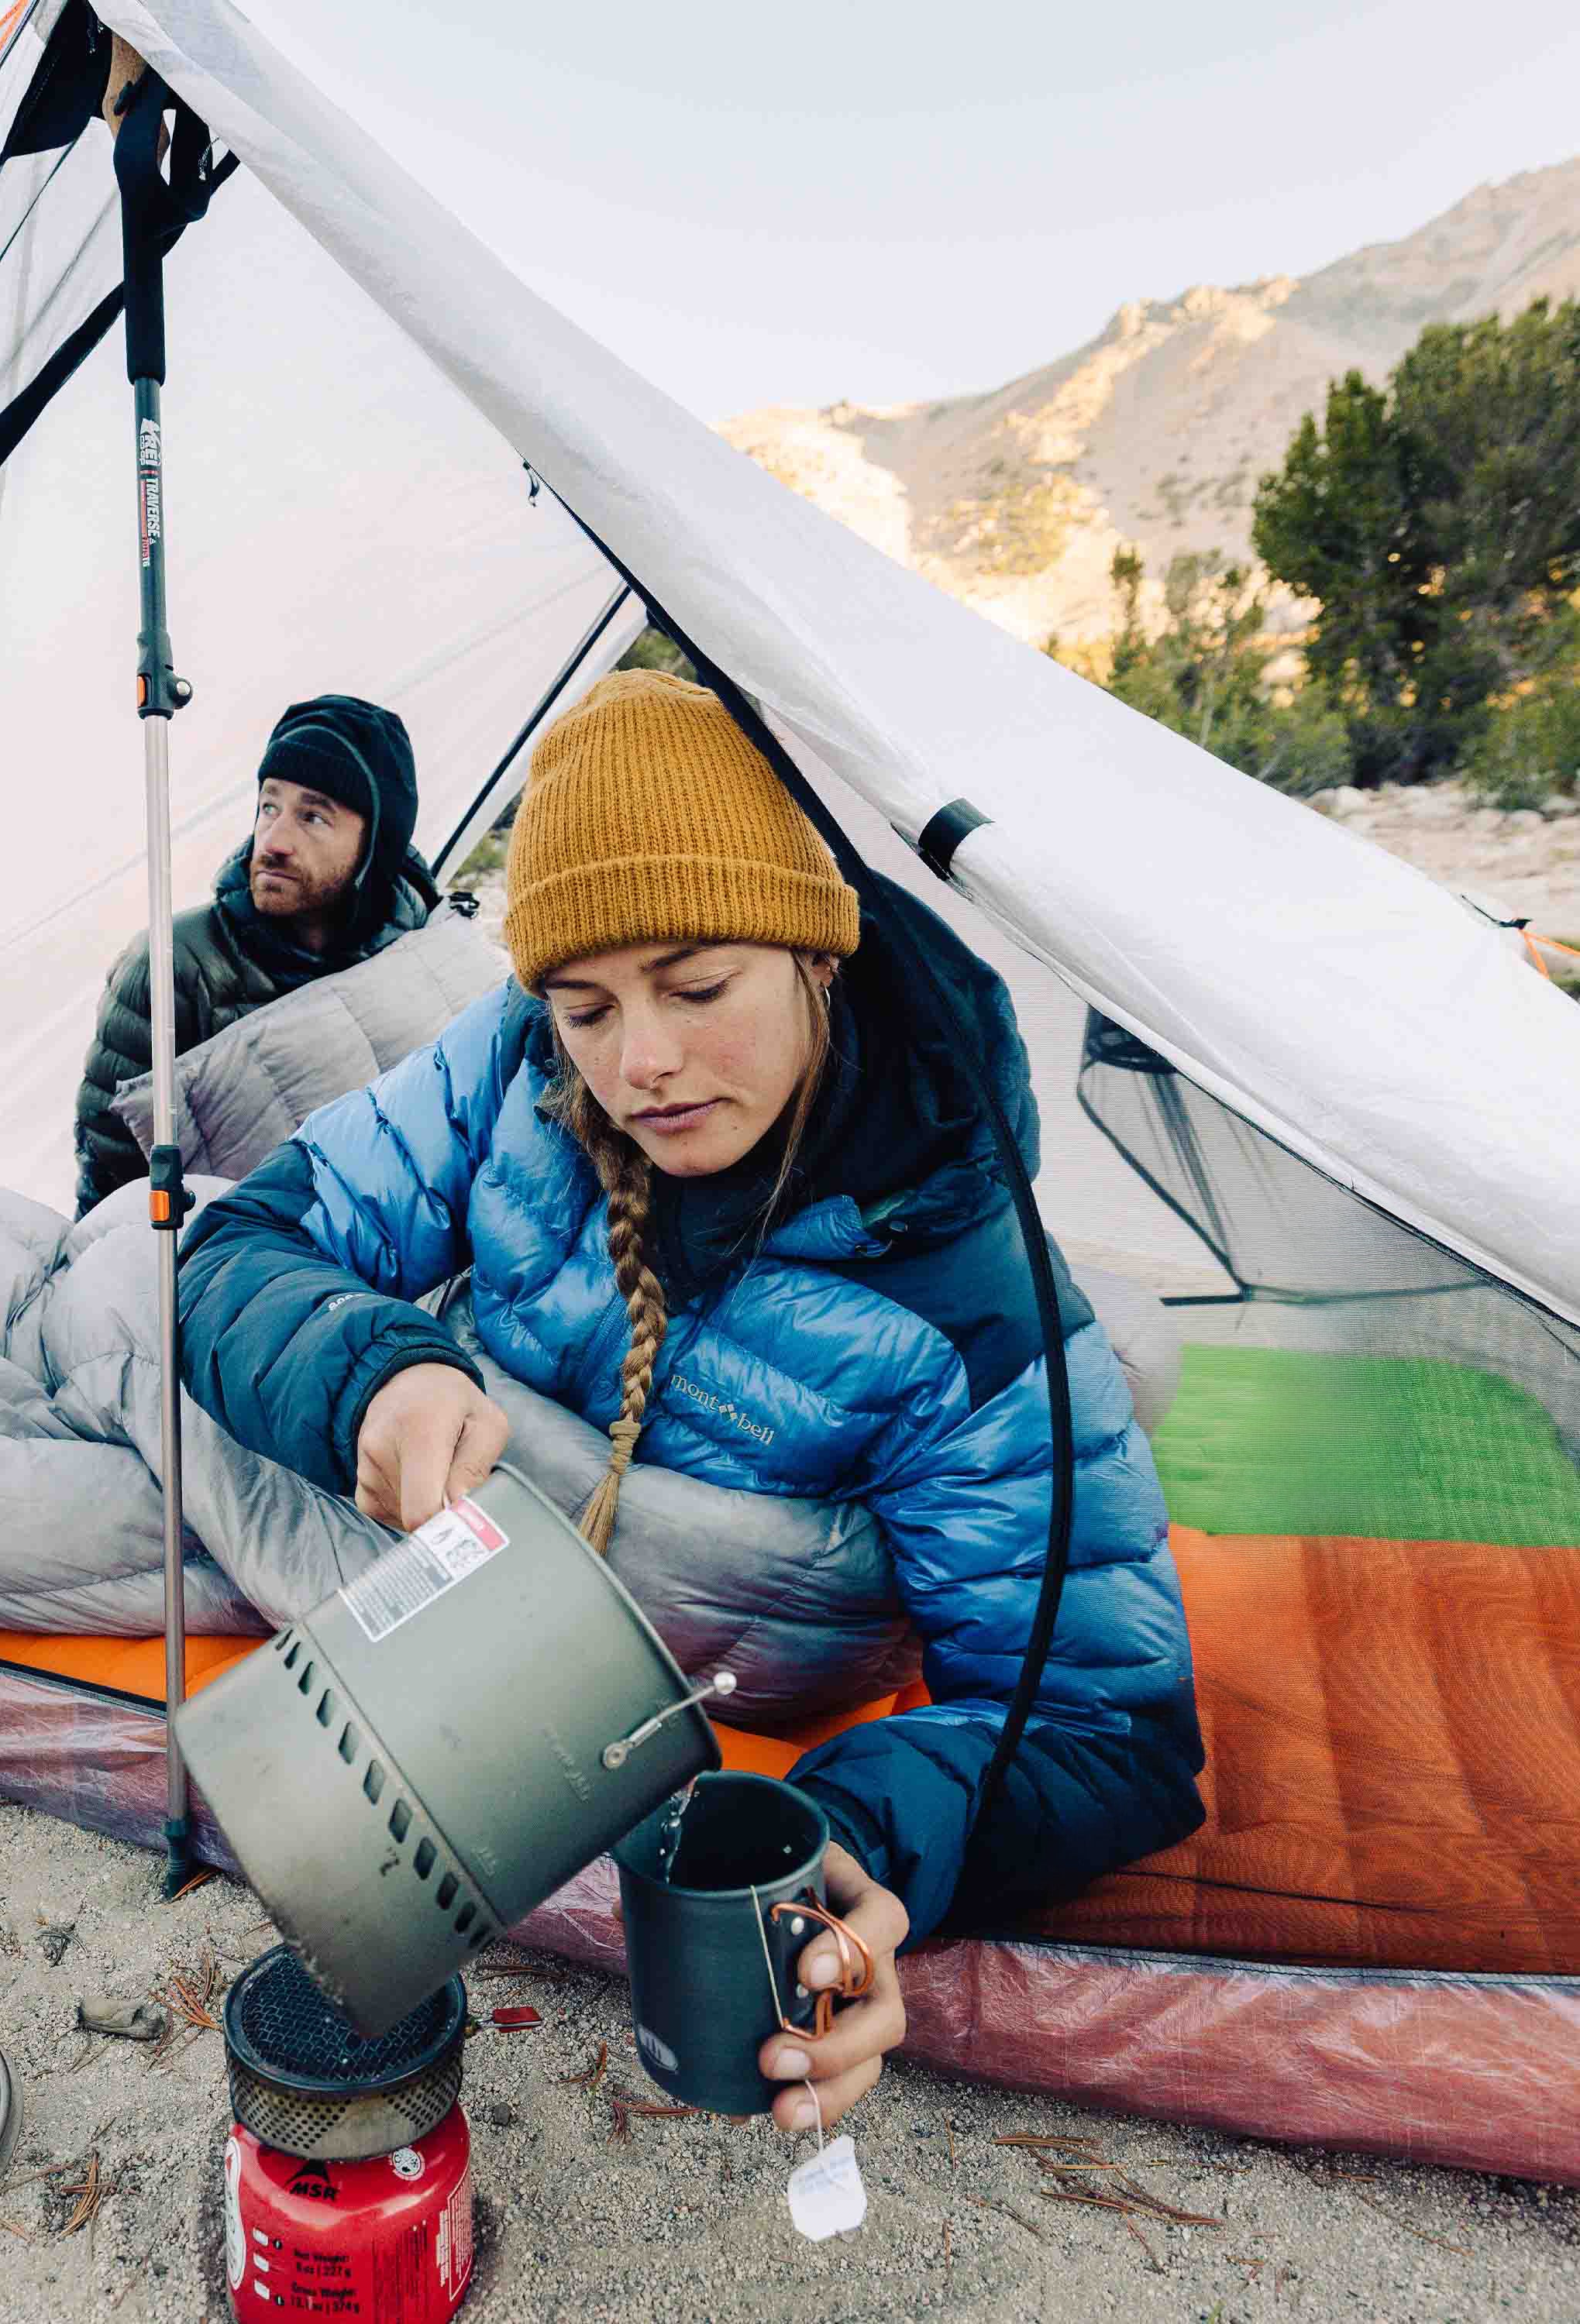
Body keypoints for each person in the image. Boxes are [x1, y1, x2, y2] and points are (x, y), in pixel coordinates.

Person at [177, 669, 1203, 2136]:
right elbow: (243, 1246)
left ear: (816, 953)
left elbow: (1107, 1734)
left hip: (679, 1638)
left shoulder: (969, 1301)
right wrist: (374, 1374)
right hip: (462, 1540)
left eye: (698, 986)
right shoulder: (516, 1063)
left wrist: (840, 1835)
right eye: (587, 1006)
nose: (638, 1063)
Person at [72, 693, 437, 1215]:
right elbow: (112, 1184)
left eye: (313, 817)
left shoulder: (420, 954)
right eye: (270, 806)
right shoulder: (174, 965)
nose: (275, 839)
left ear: (374, 847)